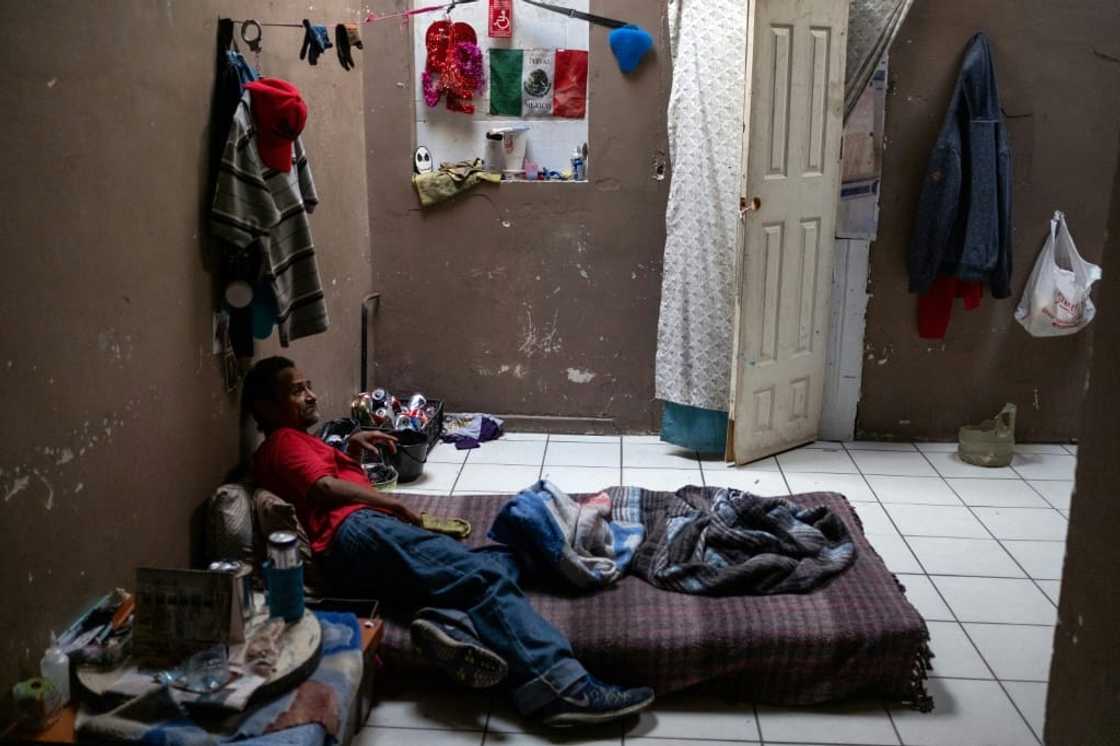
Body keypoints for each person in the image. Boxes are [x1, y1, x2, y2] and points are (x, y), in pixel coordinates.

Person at [243, 356, 654, 727]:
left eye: (308, 385)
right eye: (297, 391)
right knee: (481, 578)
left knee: (498, 560)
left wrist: (347, 446)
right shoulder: (282, 442)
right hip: (358, 531)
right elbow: (323, 488)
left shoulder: (295, 443)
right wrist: (393, 503)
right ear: (265, 407)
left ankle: (447, 623)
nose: (311, 395)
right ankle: (561, 689)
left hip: (359, 539)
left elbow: (314, 472)